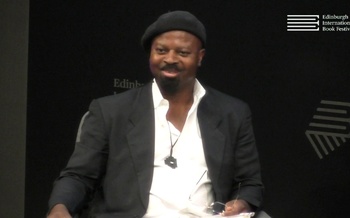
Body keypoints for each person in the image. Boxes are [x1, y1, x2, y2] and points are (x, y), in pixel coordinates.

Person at [47, 10, 268, 218]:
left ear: (200, 57)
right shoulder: (111, 111)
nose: (170, 59)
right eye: (161, 50)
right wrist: (59, 208)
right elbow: (78, 176)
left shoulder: (232, 113)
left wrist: (241, 204)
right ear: (150, 54)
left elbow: (249, 183)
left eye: (182, 53)